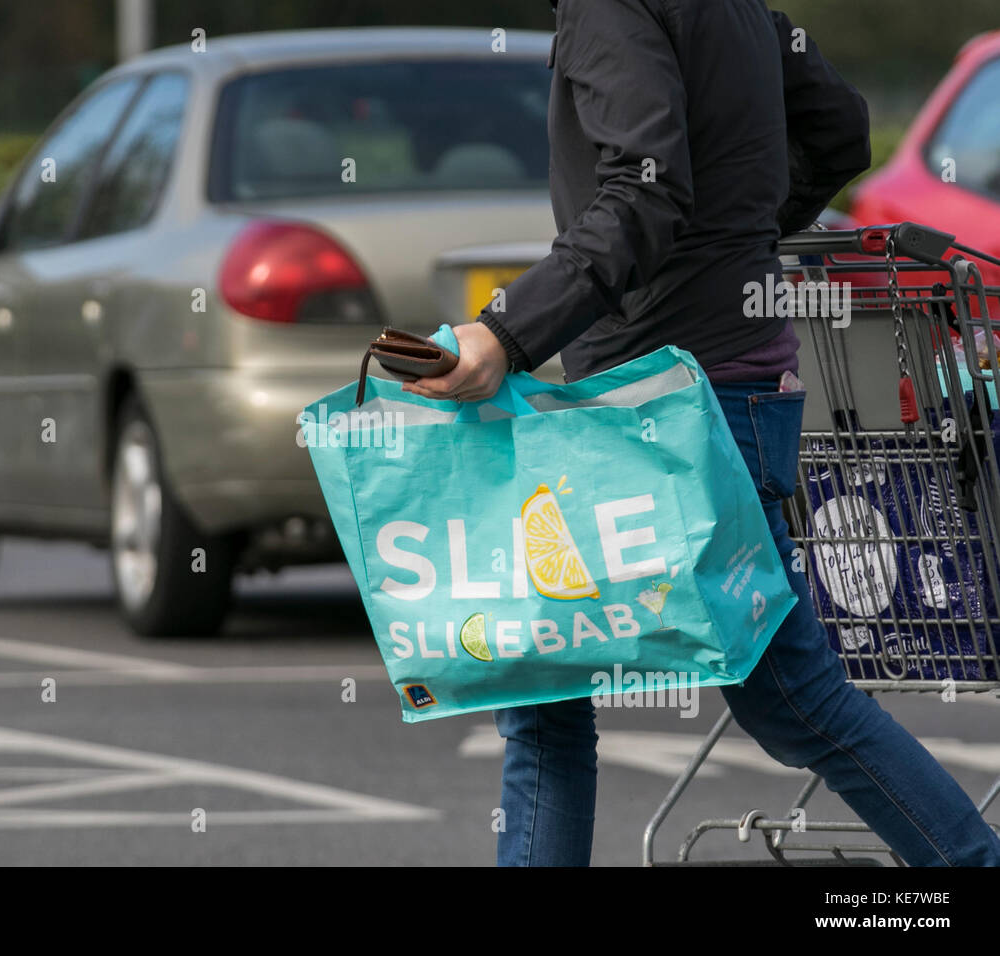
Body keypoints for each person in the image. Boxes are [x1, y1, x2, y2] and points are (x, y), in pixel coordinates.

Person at [403, 0, 1000, 866]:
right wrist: (733, 239)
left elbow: (643, 181)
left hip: (668, 408)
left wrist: (507, 332)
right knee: (547, 689)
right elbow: (839, 129)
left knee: (780, 695)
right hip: (711, 387)